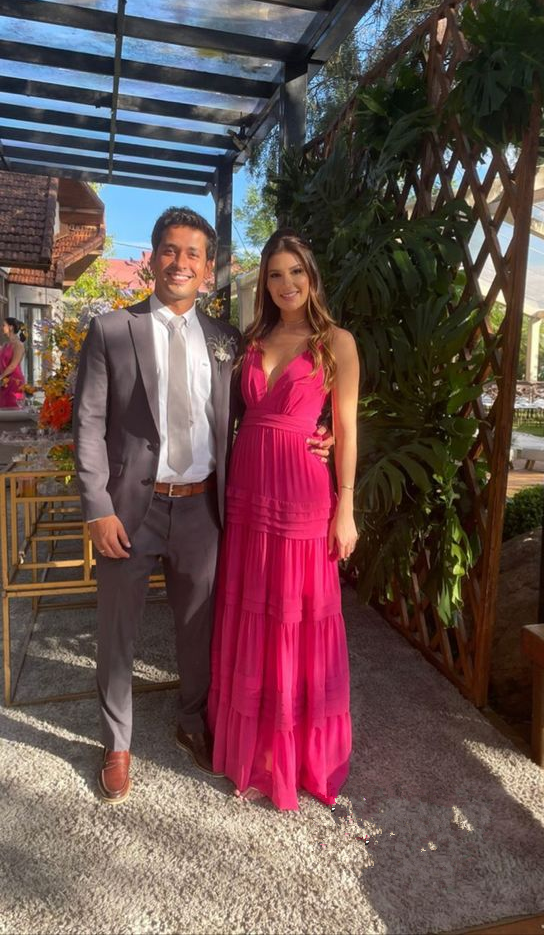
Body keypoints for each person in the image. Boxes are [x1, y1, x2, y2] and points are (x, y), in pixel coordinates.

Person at [73, 207, 331, 805]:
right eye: (170, 250)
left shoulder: (227, 341)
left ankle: (192, 720)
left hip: (202, 511)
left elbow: (260, 410)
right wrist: (96, 507)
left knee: (200, 629)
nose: (180, 262)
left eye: (193, 253)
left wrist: (326, 432)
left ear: (208, 267)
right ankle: (116, 742)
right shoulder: (112, 330)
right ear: (153, 258)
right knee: (117, 630)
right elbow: (86, 425)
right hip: (128, 510)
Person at [208, 228, 359, 811]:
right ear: (264, 284)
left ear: (311, 277)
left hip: (302, 490)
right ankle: (253, 744)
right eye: (275, 274)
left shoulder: (336, 342)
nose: (286, 283)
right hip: (248, 487)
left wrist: (346, 505)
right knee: (253, 604)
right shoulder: (252, 340)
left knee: (297, 608)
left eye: (296, 271)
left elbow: (346, 428)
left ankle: (296, 754)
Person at [0, 317, 26, 408]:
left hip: (15, 382)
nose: (1, 327)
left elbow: (13, 365)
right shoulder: (5, 345)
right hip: (4, 382)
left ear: (11, 327)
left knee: (13, 409)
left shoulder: (19, 345)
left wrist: (1, 377)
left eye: (4, 325)